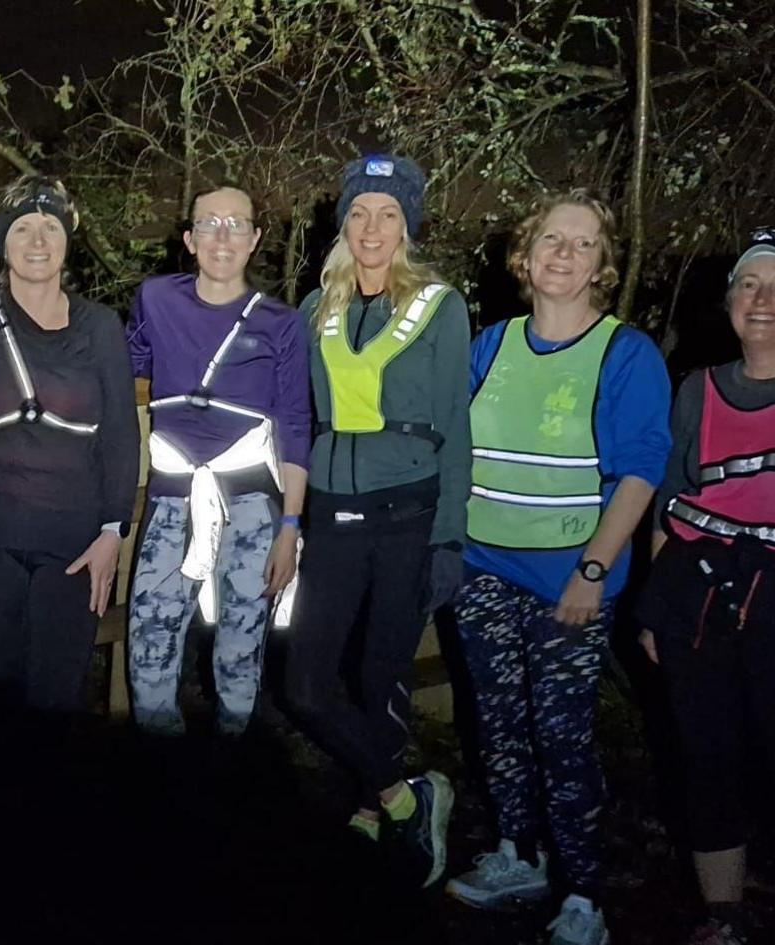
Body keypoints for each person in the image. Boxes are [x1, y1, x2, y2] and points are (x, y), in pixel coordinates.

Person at [443, 191, 670, 945]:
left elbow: (641, 470)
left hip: (569, 580)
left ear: (603, 264)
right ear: (526, 252)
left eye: (582, 242)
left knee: (563, 737)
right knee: (498, 724)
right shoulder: (492, 343)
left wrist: (594, 571)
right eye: (550, 238)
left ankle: (583, 894)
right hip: (482, 569)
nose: (563, 253)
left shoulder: (623, 352)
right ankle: (520, 855)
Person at [638, 229, 775, 945]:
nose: (762, 299)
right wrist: (656, 613)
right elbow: (671, 506)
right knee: (707, 765)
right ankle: (722, 919)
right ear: (728, 303)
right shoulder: (697, 389)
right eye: (748, 285)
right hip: (696, 603)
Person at [283, 154, 469, 887]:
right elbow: (294, 409)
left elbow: (455, 425)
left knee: (380, 673)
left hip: (406, 515)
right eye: (359, 212)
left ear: (407, 226)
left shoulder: (440, 306)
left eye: (388, 214)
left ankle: (371, 803)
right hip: (333, 512)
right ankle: (406, 793)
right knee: (305, 683)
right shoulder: (314, 306)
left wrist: (448, 535)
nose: (371, 227)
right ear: (343, 225)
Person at [0, 175, 140, 715]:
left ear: (68, 240)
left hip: (74, 545)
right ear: (1, 242)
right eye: (23, 227)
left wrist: (113, 531)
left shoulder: (100, 326)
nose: (38, 240)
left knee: (57, 700)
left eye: (51, 227)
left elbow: (121, 434)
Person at [125, 184, 310, 736]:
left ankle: (234, 764)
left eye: (237, 224)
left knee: (240, 646)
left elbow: (294, 425)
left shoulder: (281, 323)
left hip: (251, 504)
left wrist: (290, 527)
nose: (222, 236)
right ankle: (162, 766)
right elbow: (122, 364)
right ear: (189, 238)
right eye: (209, 223)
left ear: (254, 239)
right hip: (172, 497)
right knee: (150, 636)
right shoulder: (156, 299)